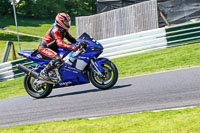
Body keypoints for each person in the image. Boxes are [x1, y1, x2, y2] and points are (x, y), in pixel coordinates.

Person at [38, 13, 78, 82]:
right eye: (66, 22)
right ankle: (44, 72)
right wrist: (71, 47)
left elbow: (71, 39)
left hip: (53, 48)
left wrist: (79, 43)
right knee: (58, 59)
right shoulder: (56, 30)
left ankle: (55, 73)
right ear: (60, 21)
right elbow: (60, 43)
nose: (67, 23)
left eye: (68, 22)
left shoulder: (63, 30)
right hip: (44, 48)